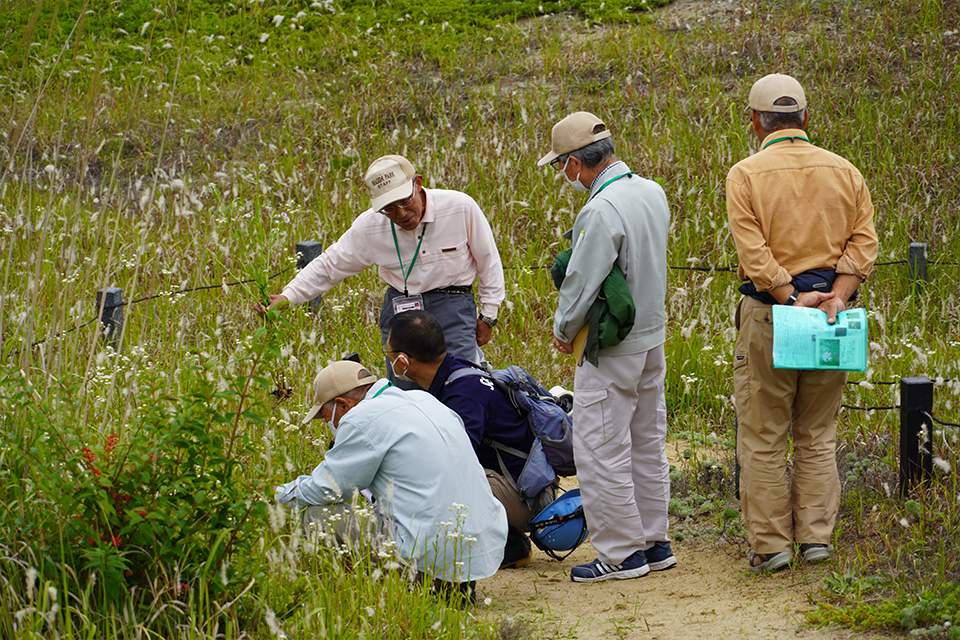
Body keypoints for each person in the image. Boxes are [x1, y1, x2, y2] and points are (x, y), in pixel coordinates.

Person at [726, 74, 878, 571]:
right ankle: (816, 539)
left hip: (772, 315)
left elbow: (753, 252)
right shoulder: (845, 171)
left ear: (755, 122)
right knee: (817, 431)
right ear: (805, 118)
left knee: (763, 435)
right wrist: (838, 295)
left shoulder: (745, 175)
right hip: (832, 317)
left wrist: (791, 296)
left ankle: (771, 546)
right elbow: (864, 243)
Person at [538, 111, 675, 583]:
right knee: (646, 442)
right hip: (651, 337)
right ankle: (655, 542)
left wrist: (563, 327)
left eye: (562, 166)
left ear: (576, 163)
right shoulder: (651, 191)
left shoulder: (599, 210)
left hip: (612, 344)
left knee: (600, 446)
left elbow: (583, 279)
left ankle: (620, 553)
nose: (564, 175)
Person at [274, 360, 508, 597]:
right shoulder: (425, 400)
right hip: (475, 554)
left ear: (342, 404)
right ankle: (452, 584)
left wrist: (274, 494)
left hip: (427, 558)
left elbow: (329, 488)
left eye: (326, 419)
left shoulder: (362, 418)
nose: (329, 425)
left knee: (318, 516)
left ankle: (398, 590)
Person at [267, 154, 505, 372]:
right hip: (401, 308)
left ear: (418, 183)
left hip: (452, 304)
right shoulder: (370, 226)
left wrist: (488, 316)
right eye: (388, 208)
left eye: (405, 201)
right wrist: (289, 296)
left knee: (460, 380)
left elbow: (488, 261)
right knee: (404, 386)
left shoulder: (460, 207)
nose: (400, 214)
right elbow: (331, 265)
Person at [385, 309, 542, 569]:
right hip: (512, 483)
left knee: (432, 480)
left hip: (524, 497)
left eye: (388, 353)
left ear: (403, 360)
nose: (388, 359)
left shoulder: (463, 396)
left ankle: (508, 544)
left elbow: (454, 461)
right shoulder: (455, 373)